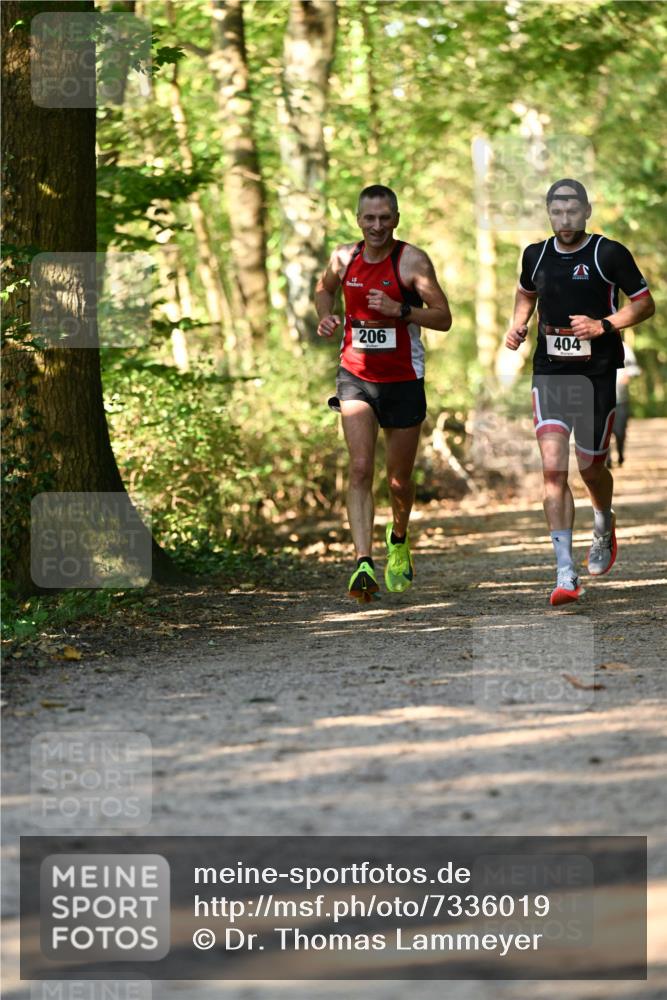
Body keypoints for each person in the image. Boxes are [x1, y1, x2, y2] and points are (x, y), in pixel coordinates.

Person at [506, 178, 655, 607]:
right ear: (549, 213)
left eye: (573, 211)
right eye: (557, 211)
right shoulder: (535, 254)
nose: (565, 219)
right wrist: (518, 325)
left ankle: (604, 522)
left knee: (591, 470)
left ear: (586, 212)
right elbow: (525, 292)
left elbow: (644, 303)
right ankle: (565, 572)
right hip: (550, 372)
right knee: (553, 470)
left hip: (596, 375)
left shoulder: (608, 253)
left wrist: (603, 325)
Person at [315, 185, 452, 602]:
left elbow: (444, 317)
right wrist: (326, 316)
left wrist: (402, 310)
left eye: (384, 218)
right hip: (355, 375)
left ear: (396, 219)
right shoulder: (344, 257)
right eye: (369, 218)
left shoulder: (412, 261)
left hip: (403, 379)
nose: (377, 226)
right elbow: (324, 289)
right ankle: (362, 561)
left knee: (398, 480)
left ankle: (399, 537)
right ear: (358, 219)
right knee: (360, 468)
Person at [607, 342, 642, 467]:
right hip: (601, 398)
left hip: (621, 399)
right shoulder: (591, 343)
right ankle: (607, 460)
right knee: (604, 431)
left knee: (620, 431)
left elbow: (634, 368)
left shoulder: (624, 348)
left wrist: (627, 375)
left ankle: (620, 454)